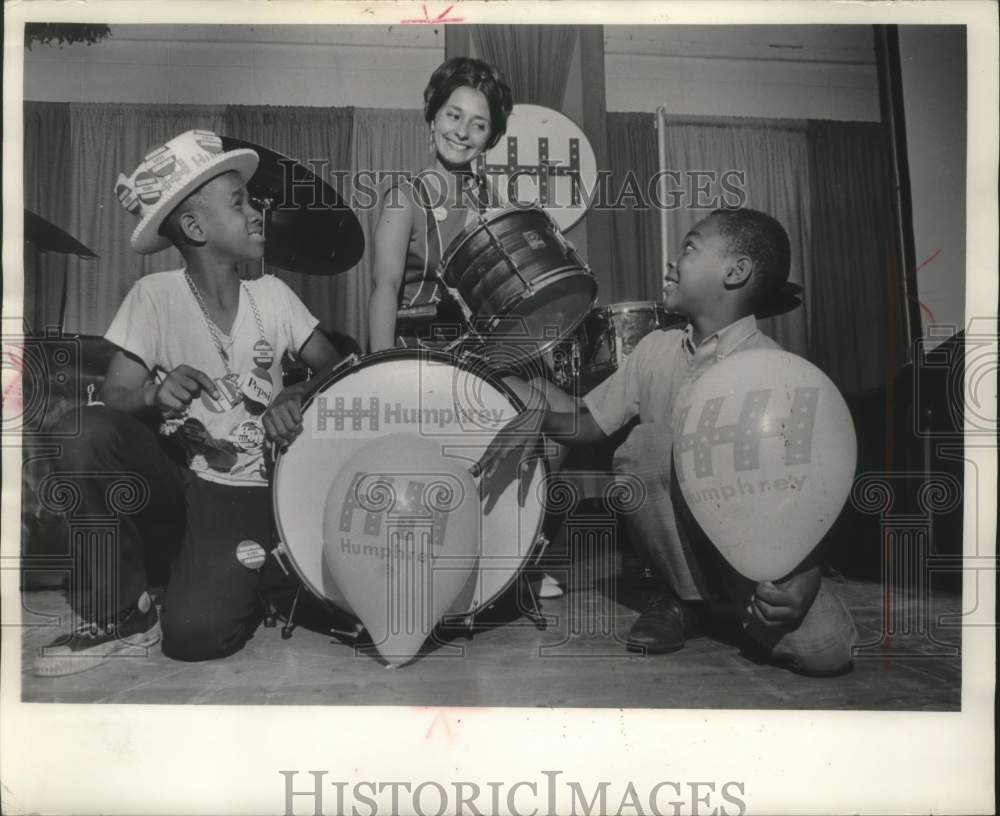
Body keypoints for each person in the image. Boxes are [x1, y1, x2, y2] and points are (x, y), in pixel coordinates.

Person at [478, 208, 857, 676]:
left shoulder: (773, 366)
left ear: (735, 272)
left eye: (690, 248)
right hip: (683, 549)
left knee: (827, 652)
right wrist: (534, 411)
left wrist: (805, 572)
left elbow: (810, 486)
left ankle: (724, 608)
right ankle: (683, 600)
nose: (671, 262)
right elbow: (592, 424)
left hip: (747, 555)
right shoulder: (654, 350)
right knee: (651, 445)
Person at [33, 129, 340, 676]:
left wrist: (295, 393)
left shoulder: (273, 296)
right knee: (80, 429)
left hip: (249, 489)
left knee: (197, 637)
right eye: (240, 203)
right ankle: (124, 613)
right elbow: (116, 396)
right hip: (178, 480)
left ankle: (235, 574)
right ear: (195, 227)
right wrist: (154, 393)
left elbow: (336, 366)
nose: (256, 213)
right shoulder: (155, 297)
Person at [368, 56, 512, 352]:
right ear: (433, 118)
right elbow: (386, 287)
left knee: (553, 398)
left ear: (490, 138)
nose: (462, 132)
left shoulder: (490, 201)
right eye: (454, 115)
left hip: (479, 356)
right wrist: (381, 374)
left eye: (479, 125)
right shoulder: (404, 200)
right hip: (418, 355)